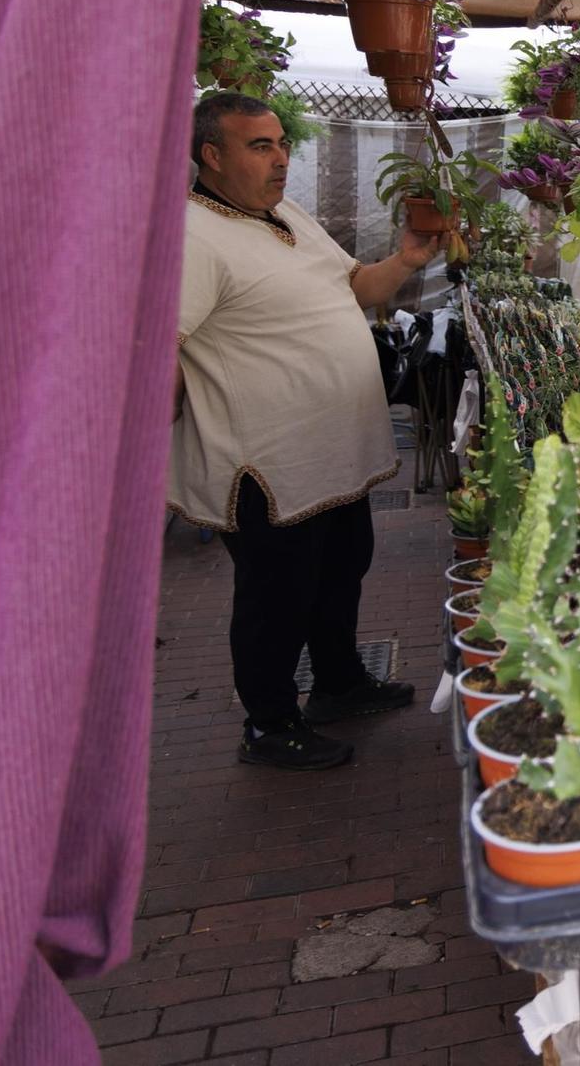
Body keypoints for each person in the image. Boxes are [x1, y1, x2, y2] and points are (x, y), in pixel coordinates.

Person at [172, 93, 424, 771]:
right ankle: (269, 722)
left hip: (331, 451)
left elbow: (356, 289)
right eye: (260, 146)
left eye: (281, 143)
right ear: (211, 155)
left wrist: (405, 258)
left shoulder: (287, 214)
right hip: (267, 462)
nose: (281, 158)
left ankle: (338, 684)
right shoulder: (192, 236)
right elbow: (163, 352)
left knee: (342, 570)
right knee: (276, 597)